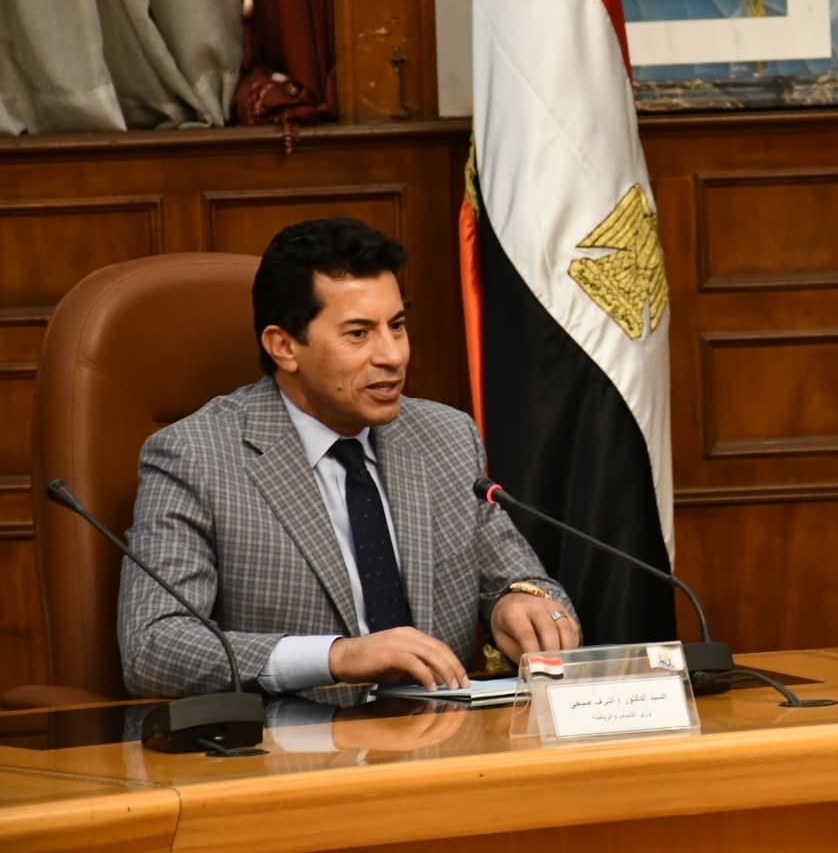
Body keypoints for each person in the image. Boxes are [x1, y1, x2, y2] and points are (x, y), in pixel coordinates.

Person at [118, 217, 580, 697]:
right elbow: (154, 646)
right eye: (359, 334)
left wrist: (520, 604)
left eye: (396, 326)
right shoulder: (195, 457)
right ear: (283, 346)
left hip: (446, 734)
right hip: (295, 738)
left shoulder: (445, 437)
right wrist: (336, 657)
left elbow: (522, 580)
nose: (393, 356)